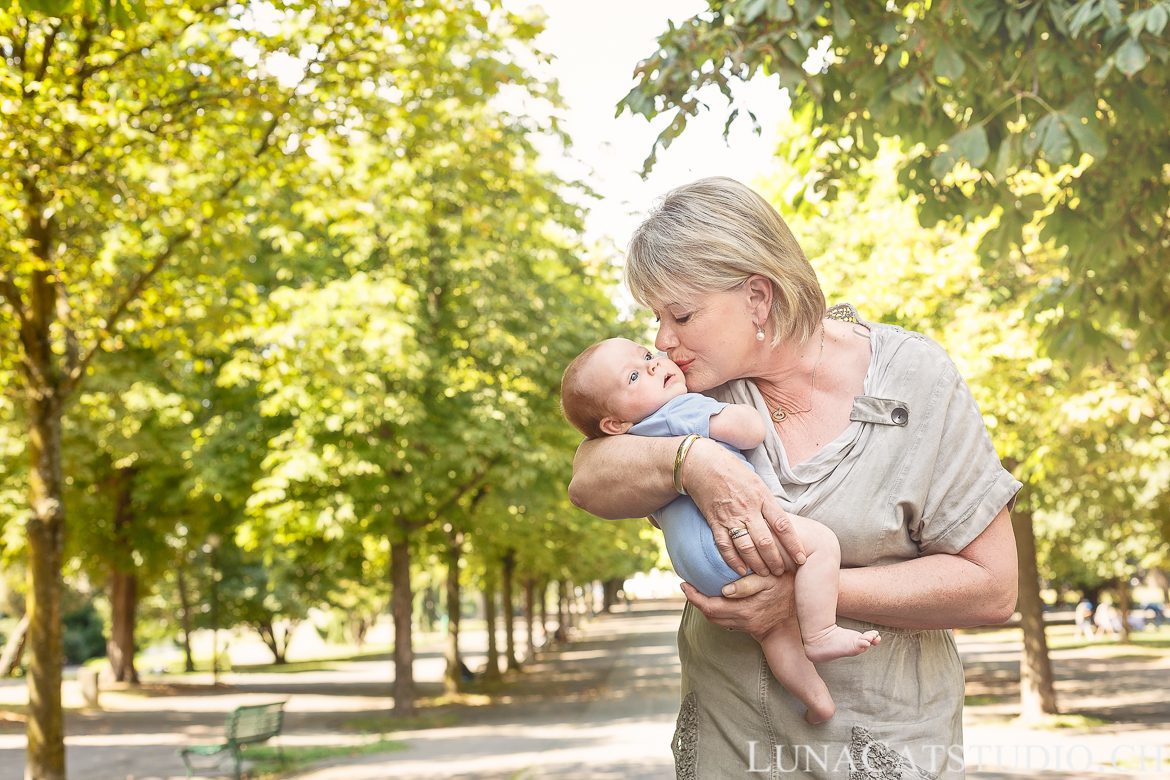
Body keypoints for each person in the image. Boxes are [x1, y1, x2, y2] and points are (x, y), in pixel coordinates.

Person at [567, 177, 1021, 778]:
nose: (661, 341)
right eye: (655, 318)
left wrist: (806, 593)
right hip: (730, 747)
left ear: (758, 296)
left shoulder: (916, 378)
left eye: (680, 315)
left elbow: (992, 588)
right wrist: (692, 462)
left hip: (880, 747)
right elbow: (589, 475)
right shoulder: (694, 388)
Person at [561, 336, 881, 723]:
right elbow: (748, 430)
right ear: (614, 423)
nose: (654, 363)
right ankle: (821, 632)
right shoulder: (679, 410)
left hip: (699, 568)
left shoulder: (632, 445)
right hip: (734, 541)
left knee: (772, 632)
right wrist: (739, 413)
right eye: (633, 375)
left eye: (646, 356)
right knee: (821, 546)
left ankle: (817, 702)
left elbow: (646, 509)